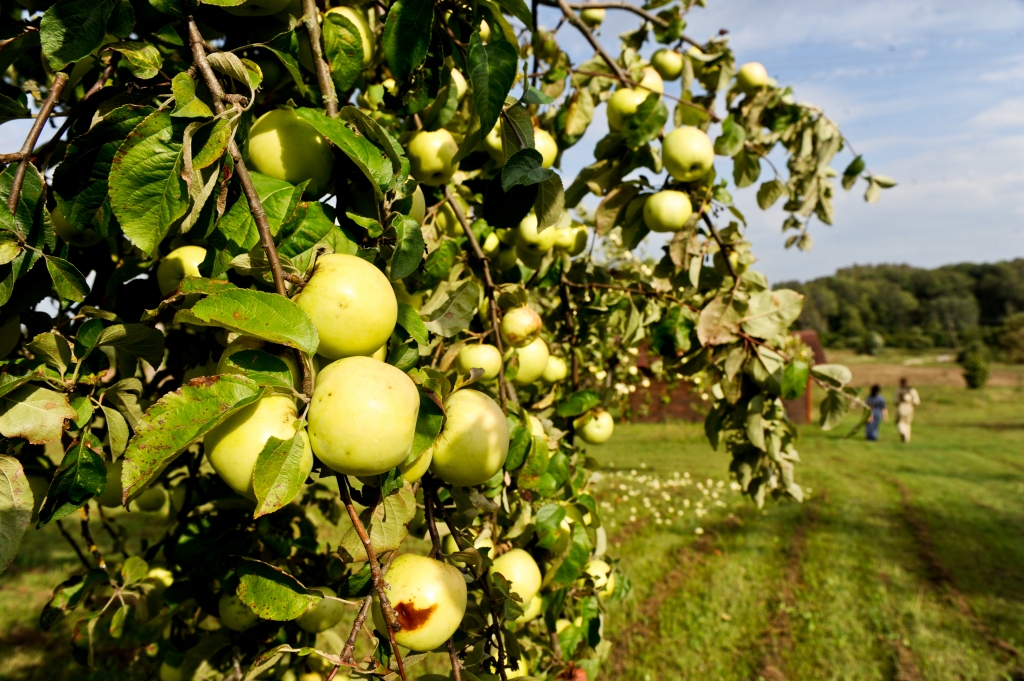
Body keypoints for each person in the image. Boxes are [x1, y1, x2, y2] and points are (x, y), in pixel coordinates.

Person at [895, 377, 921, 443]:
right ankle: (907, 437)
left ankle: (902, 432)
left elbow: (896, 401)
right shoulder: (912, 390)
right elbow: (916, 401)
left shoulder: (899, 390)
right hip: (910, 407)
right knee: (908, 422)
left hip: (901, 406)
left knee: (900, 422)